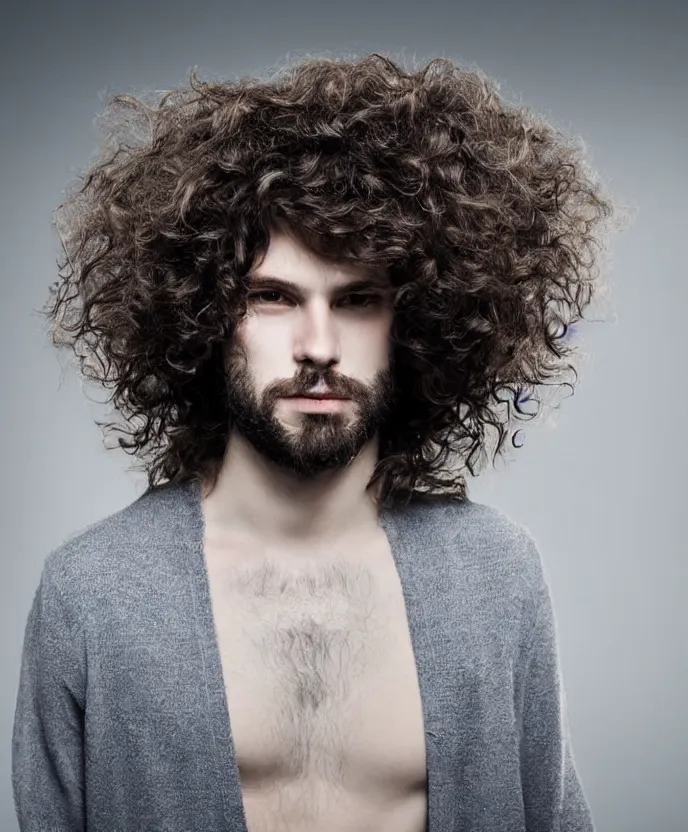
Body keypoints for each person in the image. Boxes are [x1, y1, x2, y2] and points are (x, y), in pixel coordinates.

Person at [12, 52, 619, 832]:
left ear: (417, 322)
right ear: (203, 315)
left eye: (359, 299)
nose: (319, 345)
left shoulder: (496, 576)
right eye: (273, 297)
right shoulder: (92, 595)